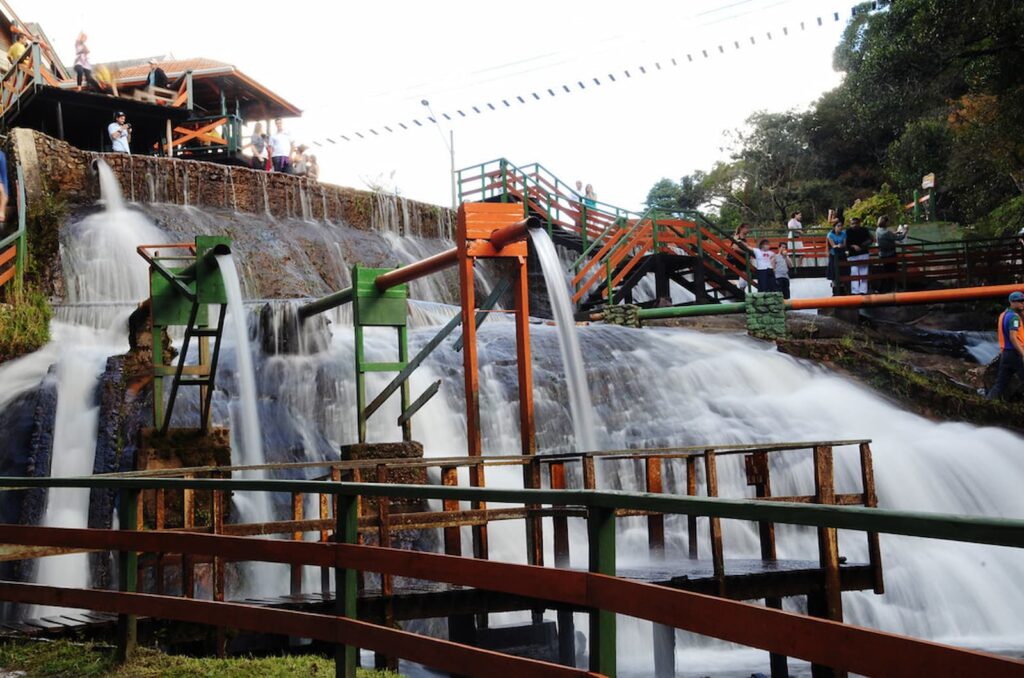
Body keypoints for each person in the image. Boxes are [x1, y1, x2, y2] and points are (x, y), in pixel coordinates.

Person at [986, 291, 1024, 400]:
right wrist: (1022, 353)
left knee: (1000, 385)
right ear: (1012, 302)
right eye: (1020, 301)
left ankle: (987, 403)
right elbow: (1013, 337)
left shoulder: (1004, 314)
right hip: (1016, 353)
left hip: (1006, 354)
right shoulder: (1014, 318)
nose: (1022, 303)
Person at [875, 217, 908, 293]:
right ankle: (891, 289)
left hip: (882, 254)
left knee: (884, 272)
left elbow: (890, 236)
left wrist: (895, 233)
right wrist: (905, 231)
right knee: (891, 272)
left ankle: (882, 289)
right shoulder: (886, 233)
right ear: (885, 223)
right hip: (890, 254)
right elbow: (900, 238)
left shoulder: (878, 230)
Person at [845, 217, 873, 295]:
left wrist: (863, 245)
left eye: (856, 223)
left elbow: (871, 239)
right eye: (852, 224)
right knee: (854, 272)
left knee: (864, 272)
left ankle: (863, 291)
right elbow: (845, 243)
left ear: (859, 223)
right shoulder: (847, 232)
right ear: (850, 224)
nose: (854, 225)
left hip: (863, 253)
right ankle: (855, 291)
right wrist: (853, 246)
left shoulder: (864, 230)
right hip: (852, 255)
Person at [826, 219, 846, 292]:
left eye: (841, 226)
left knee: (843, 270)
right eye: (838, 226)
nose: (840, 227)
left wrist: (841, 245)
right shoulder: (830, 235)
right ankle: (834, 286)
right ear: (834, 227)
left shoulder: (843, 234)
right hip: (833, 254)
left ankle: (843, 286)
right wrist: (837, 246)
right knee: (833, 271)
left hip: (841, 253)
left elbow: (844, 244)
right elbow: (833, 245)